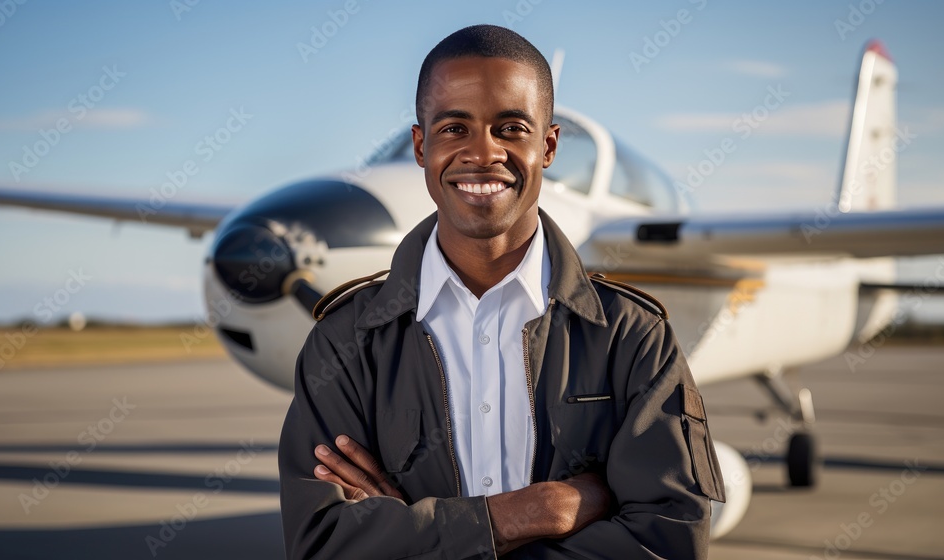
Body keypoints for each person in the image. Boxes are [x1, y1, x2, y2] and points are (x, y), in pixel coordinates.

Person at [278, 24, 725, 559]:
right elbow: (323, 544)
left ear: (549, 145)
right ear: (420, 146)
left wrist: (419, 536)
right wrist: (528, 514)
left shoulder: (634, 336)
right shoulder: (343, 341)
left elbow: (668, 541)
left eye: (511, 128)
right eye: (452, 129)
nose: (483, 153)